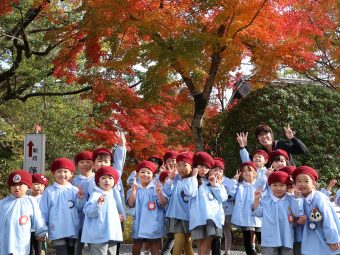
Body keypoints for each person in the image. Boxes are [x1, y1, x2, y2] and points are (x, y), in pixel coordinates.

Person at [183, 152, 228, 255]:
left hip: (211, 217)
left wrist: (215, 185)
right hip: (198, 217)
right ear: (195, 166)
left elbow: (223, 197)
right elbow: (189, 192)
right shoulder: (189, 180)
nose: (204, 170)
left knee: (207, 242)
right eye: (201, 166)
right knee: (200, 242)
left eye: (207, 167)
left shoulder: (211, 181)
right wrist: (193, 177)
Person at [40, 158, 85, 255]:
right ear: (53, 173)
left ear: (71, 174)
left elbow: (80, 208)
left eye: (65, 171)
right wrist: (42, 229)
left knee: (71, 252)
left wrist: (80, 199)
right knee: (62, 252)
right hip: (57, 228)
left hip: (72, 228)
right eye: (59, 171)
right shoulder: (49, 191)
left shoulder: (74, 190)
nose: (62, 174)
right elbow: (44, 211)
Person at [252, 171, 304, 255]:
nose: (278, 188)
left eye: (282, 185)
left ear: (287, 186)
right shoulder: (266, 200)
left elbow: (297, 213)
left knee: (287, 253)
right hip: (269, 236)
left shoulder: (291, 199)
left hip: (286, 235)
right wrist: (256, 199)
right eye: (275, 185)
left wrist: (297, 198)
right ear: (270, 186)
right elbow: (258, 213)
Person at [292, 166, 340, 255]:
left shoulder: (319, 198)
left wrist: (332, 240)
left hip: (324, 236)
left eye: (306, 181)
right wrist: (297, 199)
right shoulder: (300, 198)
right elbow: (296, 213)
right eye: (298, 181)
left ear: (313, 182)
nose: (302, 184)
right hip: (310, 237)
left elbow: (328, 220)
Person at [0, 170, 47, 255]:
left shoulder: (30, 201)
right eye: (14, 185)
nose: (17, 188)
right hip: (4, 241)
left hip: (21, 240)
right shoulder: (3, 203)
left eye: (20, 184)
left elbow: (38, 218)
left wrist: (41, 232)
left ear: (28, 186)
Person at [127, 160, 168, 255]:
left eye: (149, 172)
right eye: (142, 172)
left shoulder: (156, 187)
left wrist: (160, 193)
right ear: (137, 174)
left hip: (154, 223)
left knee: (154, 248)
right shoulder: (134, 187)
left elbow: (163, 204)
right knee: (136, 247)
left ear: (153, 175)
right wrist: (133, 192)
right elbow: (130, 204)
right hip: (139, 222)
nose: (145, 174)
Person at [81, 166, 122, 254]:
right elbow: (88, 211)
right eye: (103, 178)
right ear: (98, 182)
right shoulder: (96, 195)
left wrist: (117, 216)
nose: (107, 181)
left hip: (112, 233)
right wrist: (97, 205)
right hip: (98, 234)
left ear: (114, 181)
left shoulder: (112, 195)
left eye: (110, 178)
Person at [230, 162, 266, 255]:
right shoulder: (239, 185)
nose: (246, 173)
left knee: (261, 235)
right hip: (245, 215)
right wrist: (234, 182)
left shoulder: (259, 184)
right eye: (244, 171)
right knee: (246, 237)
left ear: (254, 172)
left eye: (249, 170)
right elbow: (231, 195)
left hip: (257, 215)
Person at [163, 152, 195, 255]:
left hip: (188, 216)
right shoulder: (175, 178)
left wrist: (193, 177)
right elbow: (166, 192)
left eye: (185, 165)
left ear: (191, 166)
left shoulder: (193, 179)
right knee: (179, 241)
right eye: (179, 165)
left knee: (187, 243)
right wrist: (170, 180)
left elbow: (190, 192)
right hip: (175, 215)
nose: (181, 168)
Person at [72, 150, 94, 255]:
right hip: (79, 218)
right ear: (77, 165)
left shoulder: (98, 179)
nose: (85, 164)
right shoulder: (74, 181)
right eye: (81, 162)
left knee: (94, 247)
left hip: (94, 218)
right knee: (77, 247)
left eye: (88, 161)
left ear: (93, 163)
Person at [30, 173, 49, 255]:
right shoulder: (26, 198)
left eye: (41, 184)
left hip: (39, 230)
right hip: (27, 229)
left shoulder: (45, 199)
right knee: (28, 250)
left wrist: (45, 232)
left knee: (38, 250)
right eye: (36, 184)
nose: (39, 186)